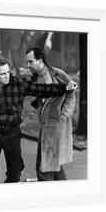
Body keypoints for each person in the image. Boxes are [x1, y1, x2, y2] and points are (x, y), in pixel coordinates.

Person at [0, 56, 77, 184]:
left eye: (8, 72)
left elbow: (42, 89)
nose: (7, 76)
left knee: (15, 172)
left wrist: (64, 88)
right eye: (2, 74)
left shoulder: (19, 84)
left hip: (12, 132)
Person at [25, 47, 76, 181]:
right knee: (53, 164)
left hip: (57, 126)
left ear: (40, 60)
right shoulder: (35, 79)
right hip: (45, 127)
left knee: (45, 168)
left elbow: (71, 93)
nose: (27, 65)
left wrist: (64, 115)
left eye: (30, 62)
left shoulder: (59, 75)